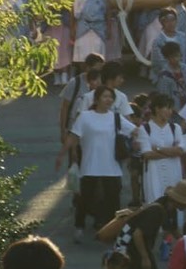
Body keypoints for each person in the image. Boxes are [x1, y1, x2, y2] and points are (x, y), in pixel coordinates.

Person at [58, 85, 139, 241]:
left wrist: (139, 140)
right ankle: (79, 226)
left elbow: (134, 130)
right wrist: (62, 154)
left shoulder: (115, 117)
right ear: (96, 99)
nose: (108, 100)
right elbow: (73, 137)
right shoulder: (85, 117)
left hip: (111, 166)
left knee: (113, 200)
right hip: (90, 165)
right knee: (84, 198)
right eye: (105, 96)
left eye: (111, 97)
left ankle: (112, 230)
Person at [136, 92, 185, 204]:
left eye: (170, 108)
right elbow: (147, 154)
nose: (169, 111)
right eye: (166, 108)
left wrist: (158, 149)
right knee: (154, 202)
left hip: (173, 172)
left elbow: (180, 151)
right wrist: (171, 152)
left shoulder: (175, 128)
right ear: (157, 109)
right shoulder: (145, 129)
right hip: (154, 173)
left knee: (174, 202)